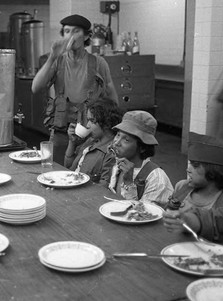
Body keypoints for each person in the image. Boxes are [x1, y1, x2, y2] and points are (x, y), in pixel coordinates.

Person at [31, 14, 118, 163]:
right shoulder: (58, 61)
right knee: (56, 169)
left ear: (86, 36)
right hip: (61, 129)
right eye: (67, 31)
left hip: (90, 131)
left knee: (86, 170)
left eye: (76, 31)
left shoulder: (98, 62)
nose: (71, 35)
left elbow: (111, 93)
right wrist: (52, 57)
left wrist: (117, 126)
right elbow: (35, 87)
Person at [108, 110, 173, 206]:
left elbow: (144, 215)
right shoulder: (118, 165)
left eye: (126, 140)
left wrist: (129, 183)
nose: (117, 142)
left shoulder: (156, 179)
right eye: (118, 135)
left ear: (142, 148)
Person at [169, 132, 223, 212]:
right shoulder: (181, 187)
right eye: (190, 164)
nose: (188, 170)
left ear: (213, 172)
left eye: (195, 166)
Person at [64, 100, 123, 186]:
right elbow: (69, 169)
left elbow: (105, 186)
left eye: (92, 121)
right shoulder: (90, 141)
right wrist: (72, 142)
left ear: (106, 123)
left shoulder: (111, 151)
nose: (87, 125)